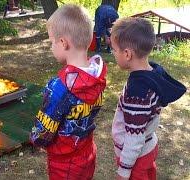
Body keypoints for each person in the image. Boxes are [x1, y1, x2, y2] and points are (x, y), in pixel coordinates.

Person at [30, 4, 107, 180]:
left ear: (63, 43)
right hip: (87, 155)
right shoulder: (98, 75)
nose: (51, 46)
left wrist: (34, 138)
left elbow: (43, 132)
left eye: (51, 41)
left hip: (63, 164)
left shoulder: (58, 87)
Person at [110, 17, 186, 180]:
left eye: (114, 50)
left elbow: (134, 136)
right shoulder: (152, 73)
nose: (113, 54)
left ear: (127, 54)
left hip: (136, 158)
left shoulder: (138, 91)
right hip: (148, 146)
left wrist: (123, 171)